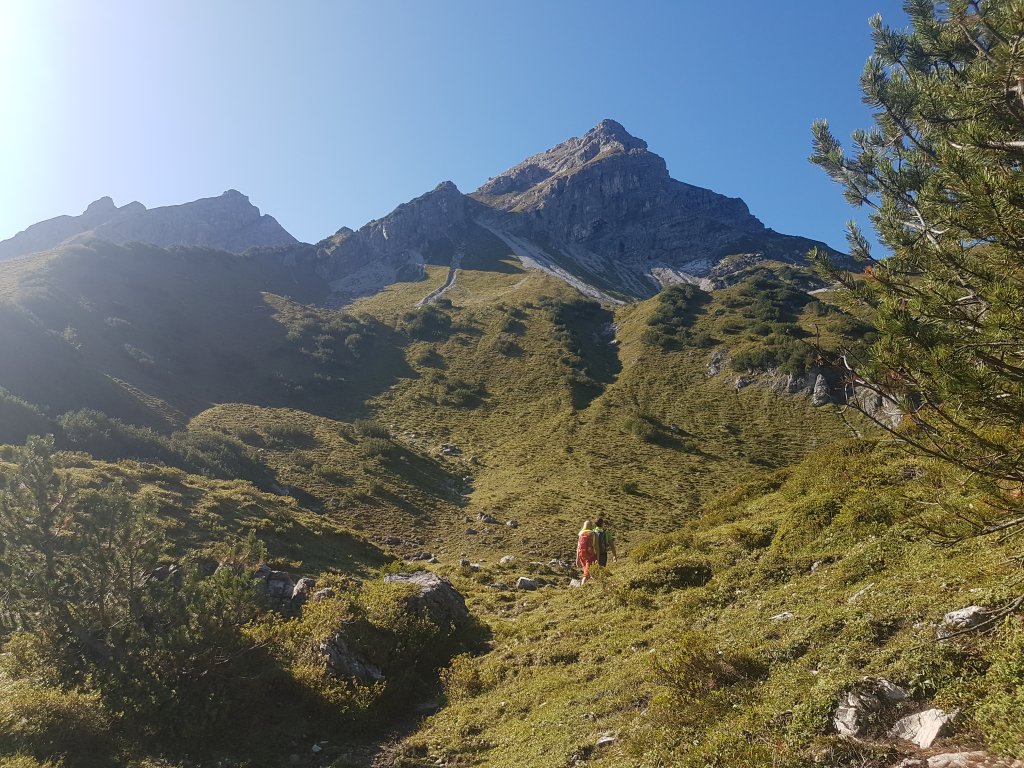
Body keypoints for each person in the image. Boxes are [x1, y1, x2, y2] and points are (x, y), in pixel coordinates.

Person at [576, 520, 599, 585]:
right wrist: (598, 558)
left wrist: (577, 559)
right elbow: (597, 547)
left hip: (582, 556)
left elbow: (578, 547)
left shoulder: (581, 533)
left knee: (588, 572)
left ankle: (590, 586)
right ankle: (582, 587)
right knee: (586, 574)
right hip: (590, 556)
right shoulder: (594, 534)